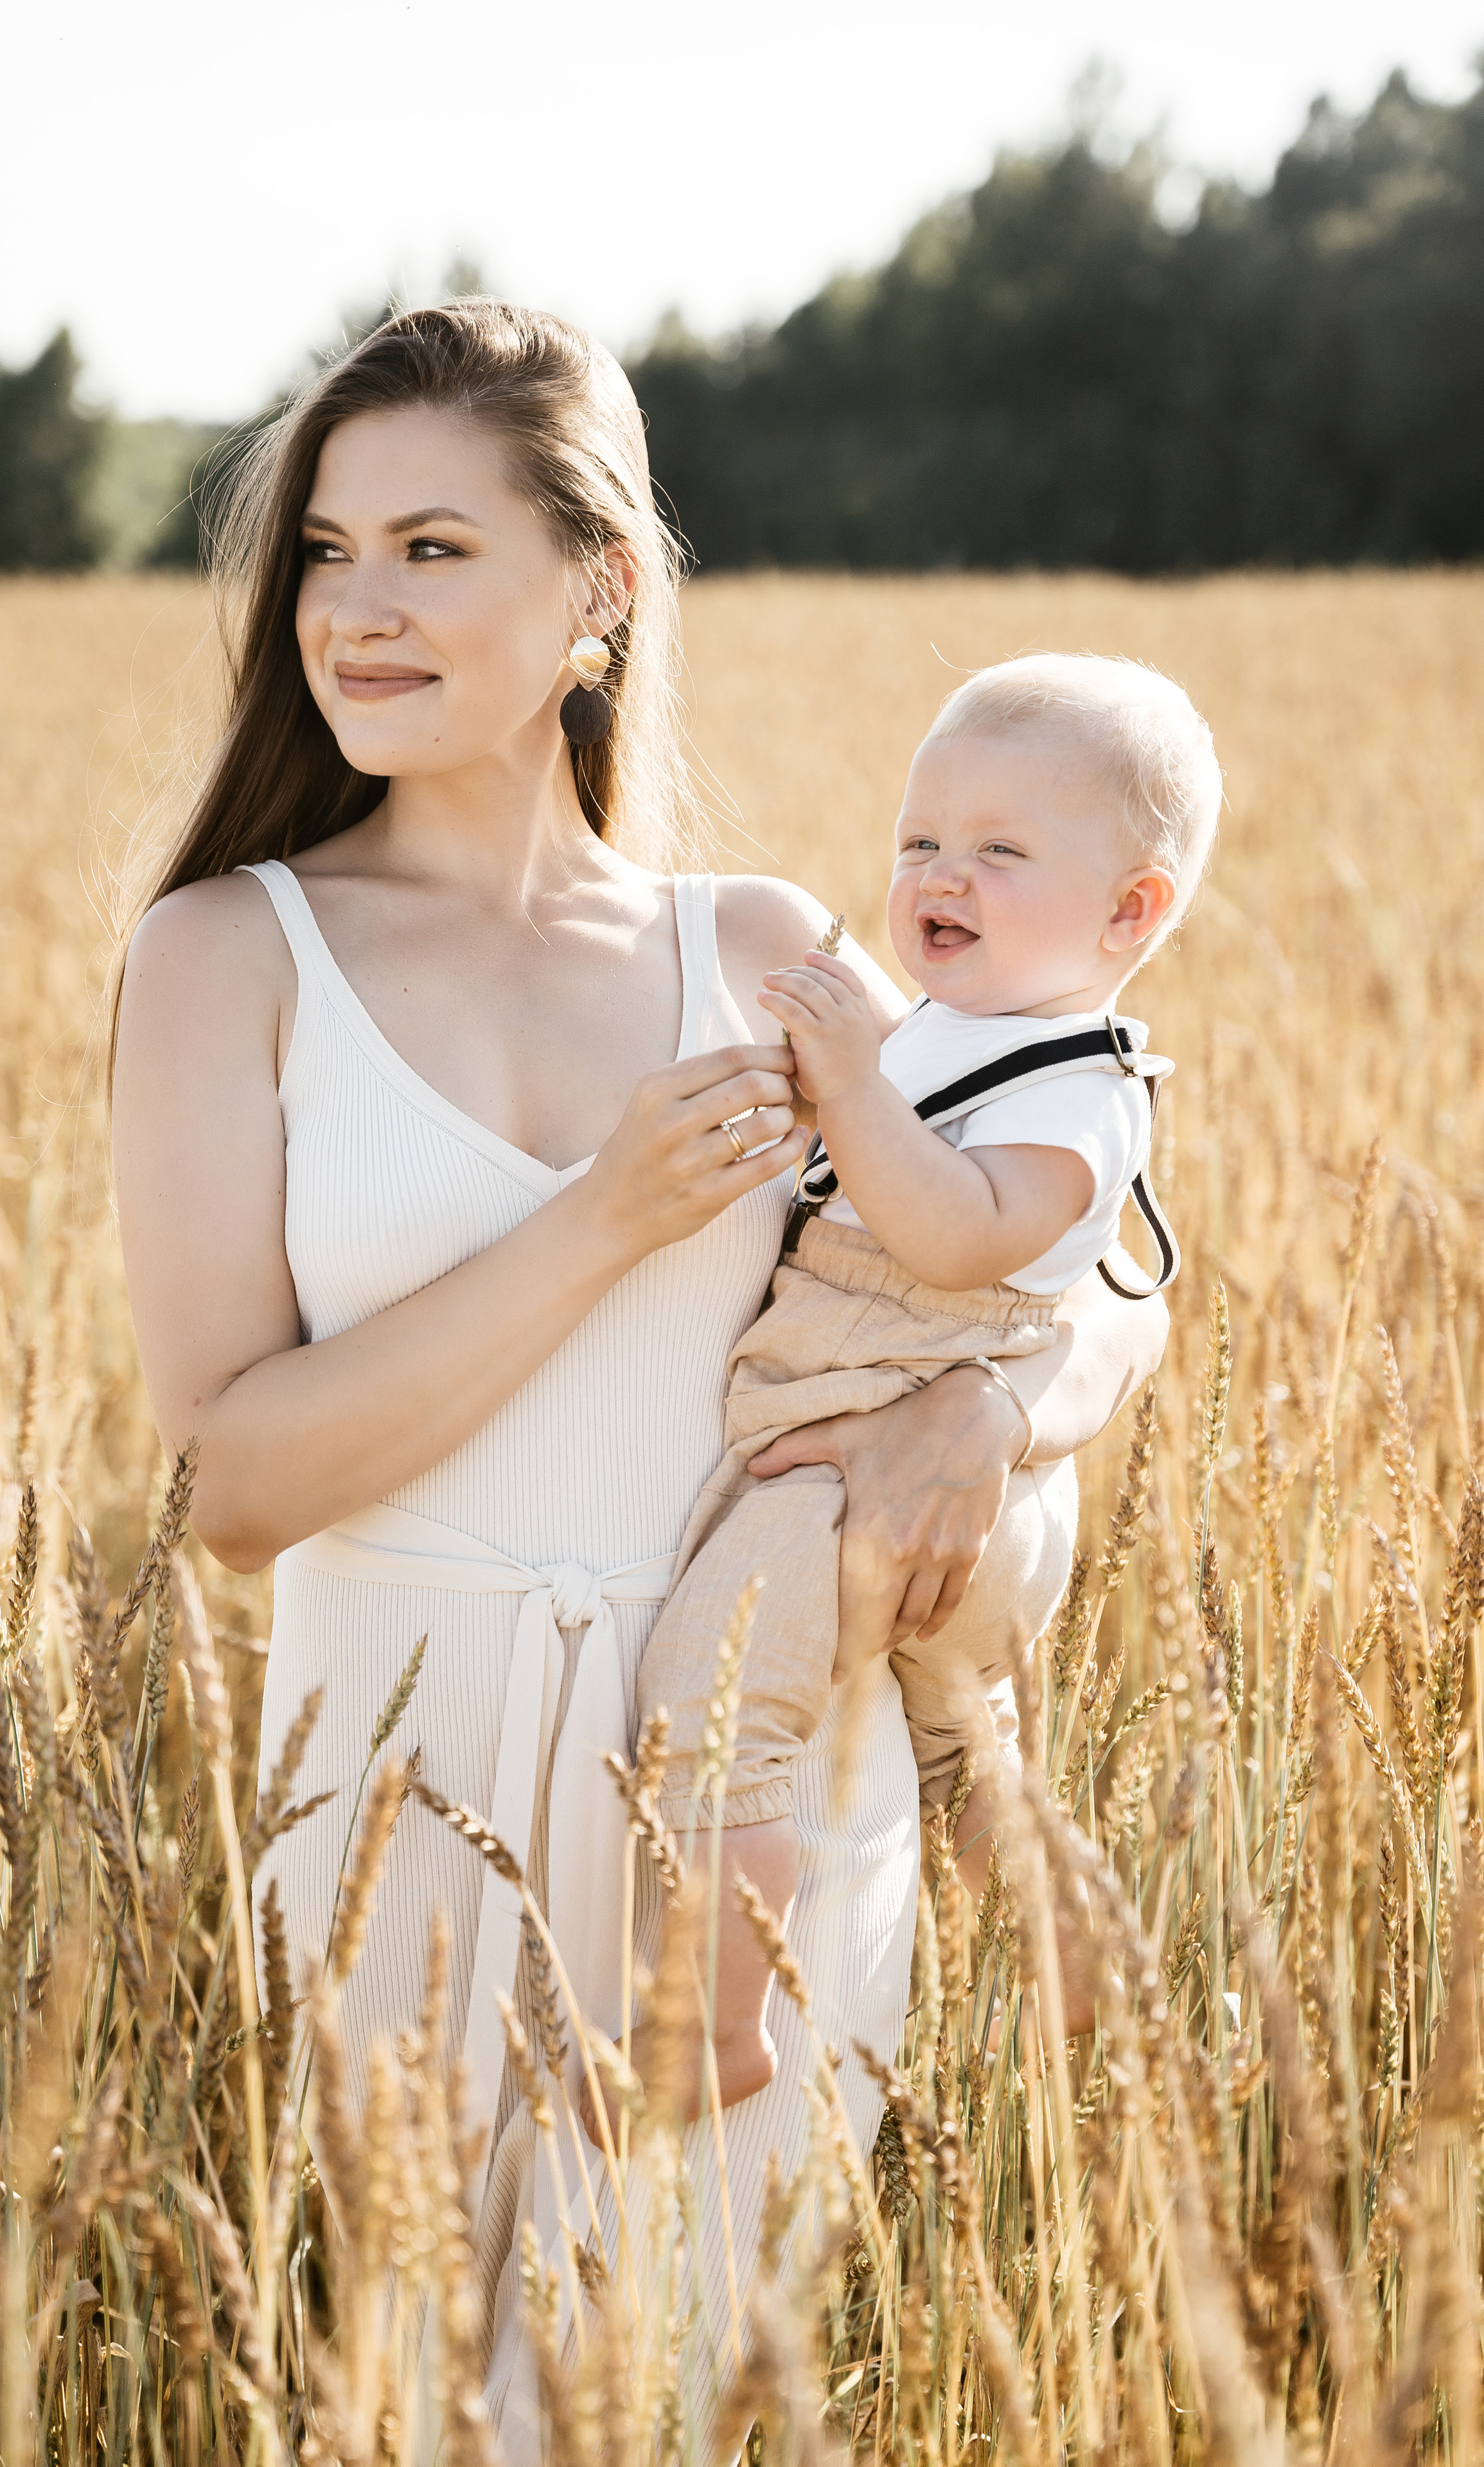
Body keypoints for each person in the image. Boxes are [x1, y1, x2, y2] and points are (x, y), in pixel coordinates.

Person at [108, 298, 1167, 2444]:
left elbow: (1099, 1257)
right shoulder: (231, 951)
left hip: (752, 1802)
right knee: (454, 2404)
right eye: (325, 552)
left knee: (699, 2394)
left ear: (596, 589)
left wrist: (991, 1405)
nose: (358, 608)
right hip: (406, 1781)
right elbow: (230, 1484)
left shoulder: (759, 947)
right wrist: (599, 1217)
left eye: (429, 548)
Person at [630, 655, 1219, 2113]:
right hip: (902, 1467)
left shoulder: (1076, 1086)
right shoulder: (968, 1037)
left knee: (710, 1706)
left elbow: (950, 1236)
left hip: (876, 1477)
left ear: (1129, 914)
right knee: (970, 1757)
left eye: (999, 853)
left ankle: (709, 2029)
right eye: (918, 843)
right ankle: (1096, 1999)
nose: (937, 876)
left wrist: (850, 1081)